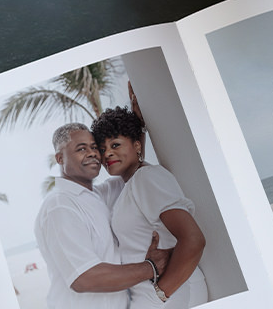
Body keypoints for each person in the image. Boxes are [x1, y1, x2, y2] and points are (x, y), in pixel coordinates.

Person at [34, 122, 170, 309]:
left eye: (94, 147)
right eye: (81, 149)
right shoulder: (60, 207)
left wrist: (138, 125)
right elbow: (84, 278)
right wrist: (151, 267)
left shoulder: (97, 196)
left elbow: (132, 167)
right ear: (59, 158)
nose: (92, 153)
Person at [91, 102, 207, 308]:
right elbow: (133, 158)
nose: (107, 153)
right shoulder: (129, 184)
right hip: (159, 294)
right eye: (102, 149)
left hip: (175, 293)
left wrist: (158, 295)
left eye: (115, 145)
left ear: (136, 145)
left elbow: (193, 239)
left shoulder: (147, 178)